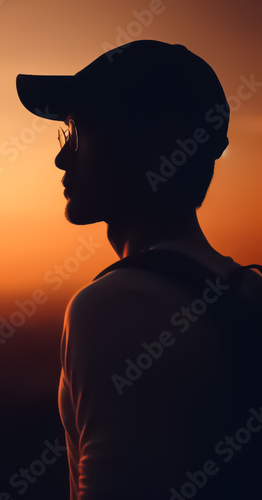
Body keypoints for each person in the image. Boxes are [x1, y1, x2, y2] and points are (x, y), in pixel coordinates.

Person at [16, 40, 262, 499]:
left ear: (143, 145)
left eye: (77, 132)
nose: (62, 157)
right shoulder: (248, 288)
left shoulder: (116, 306)